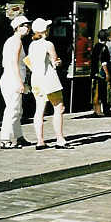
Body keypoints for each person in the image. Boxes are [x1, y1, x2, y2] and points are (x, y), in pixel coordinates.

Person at [28, 18, 71, 149]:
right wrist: (59, 62)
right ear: (45, 30)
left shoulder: (31, 45)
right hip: (49, 79)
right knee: (59, 108)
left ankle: (40, 141)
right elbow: (55, 61)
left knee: (39, 109)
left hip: (36, 80)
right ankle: (60, 138)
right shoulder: (48, 44)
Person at [0, 16, 33, 149]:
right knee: (12, 110)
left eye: (28, 26)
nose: (28, 28)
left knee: (17, 110)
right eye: (25, 25)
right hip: (13, 79)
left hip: (8, 78)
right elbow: (14, 63)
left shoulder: (11, 41)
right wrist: (20, 82)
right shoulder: (17, 42)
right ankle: (5, 139)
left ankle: (19, 137)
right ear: (17, 27)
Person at [91, 29, 110, 117]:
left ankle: (96, 110)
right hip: (101, 73)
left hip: (94, 72)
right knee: (101, 92)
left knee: (95, 91)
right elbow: (104, 62)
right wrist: (107, 73)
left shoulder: (95, 46)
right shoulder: (104, 48)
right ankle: (99, 111)